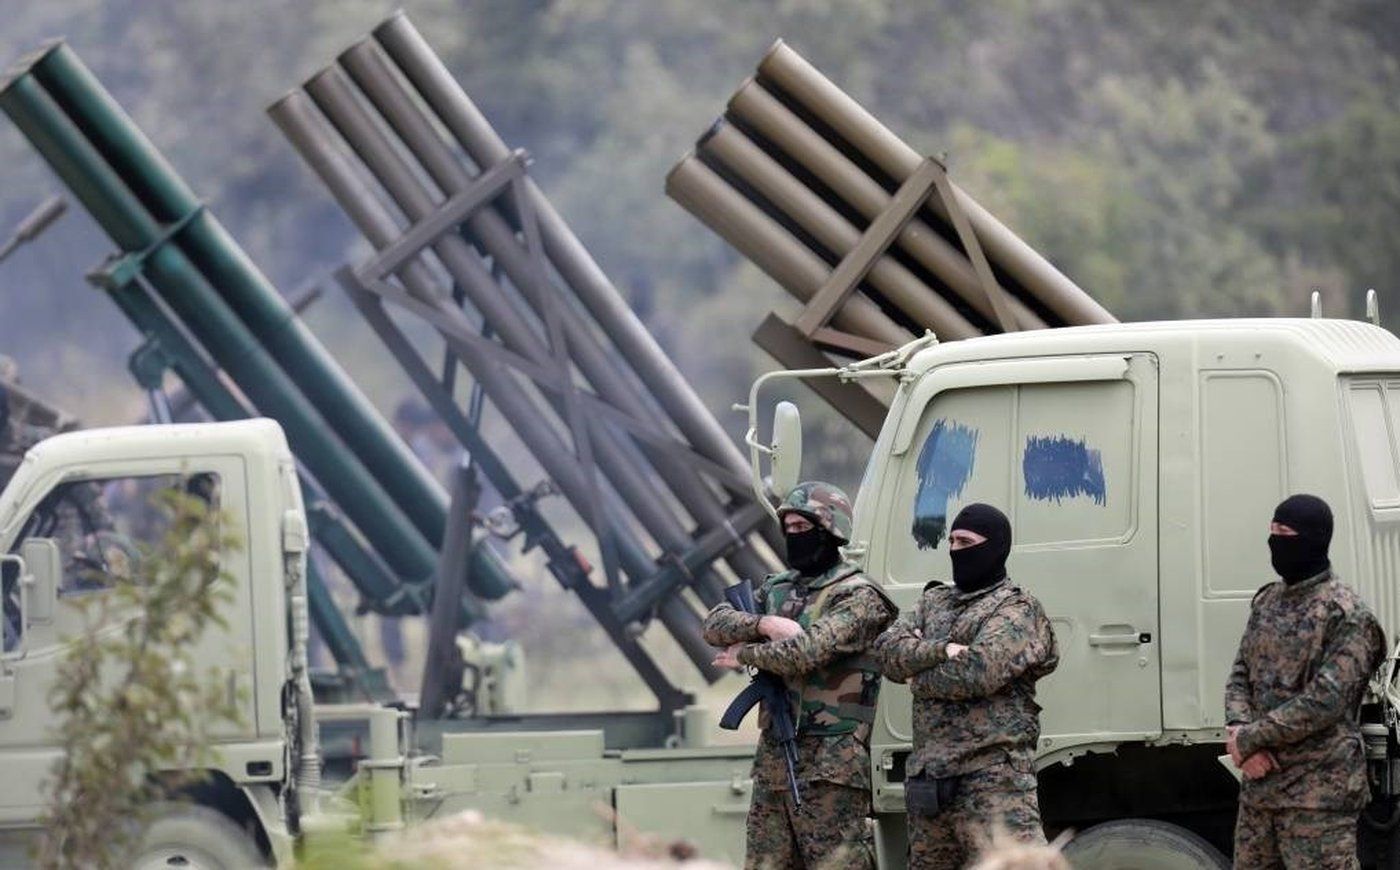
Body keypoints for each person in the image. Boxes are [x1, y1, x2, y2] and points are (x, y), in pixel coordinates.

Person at [703, 481, 896, 869]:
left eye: (802, 529)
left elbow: (807, 653)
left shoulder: (859, 596)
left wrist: (746, 651)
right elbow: (714, 624)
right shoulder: (777, 589)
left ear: (831, 532)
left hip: (832, 767)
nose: (793, 536)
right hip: (775, 761)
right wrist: (765, 622)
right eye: (787, 529)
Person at [873, 503, 1058, 870]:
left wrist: (917, 677)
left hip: (993, 783)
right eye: (952, 541)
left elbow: (978, 672)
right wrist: (941, 649)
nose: (956, 549)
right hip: (932, 784)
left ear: (995, 546)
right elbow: (886, 651)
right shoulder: (933, 601)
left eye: (967, 541)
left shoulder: (1017, 609)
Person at [1225, 494, 1385, 870]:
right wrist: (1239, 732)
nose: (1273, 541)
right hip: (1261, 793)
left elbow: (1324, 701)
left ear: (1312, 539)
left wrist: (1249, 739)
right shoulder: (1266, 601)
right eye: (1272, 530)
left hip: (1318, 797)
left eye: (1284, 532)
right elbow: (1239, 674)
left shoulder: (1347, 615)